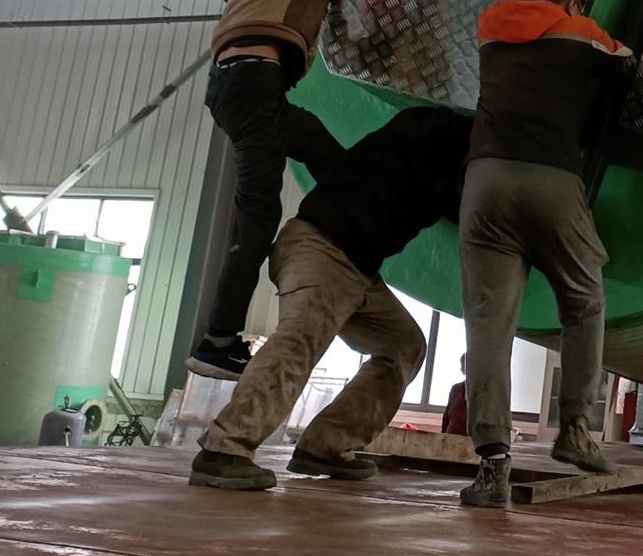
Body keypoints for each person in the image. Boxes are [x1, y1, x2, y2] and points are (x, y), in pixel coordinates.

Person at [188, 0, 420, 381]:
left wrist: (327, 2)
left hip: (232, 88)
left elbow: (287, 6)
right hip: (255, 86)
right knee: (256, 225)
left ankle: (356, 209)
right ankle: (216, 341)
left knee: (318, 145)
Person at [459, 0, 643, 509]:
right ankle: (574, 427)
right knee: (584, 300)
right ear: (574, 3)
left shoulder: (491, 24)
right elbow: (642, 74)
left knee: (487, 322)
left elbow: (539, 30)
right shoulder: (583, 33)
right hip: (551, 179)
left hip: (484, 182)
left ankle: (492, 465)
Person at [189, 104, 471, 490]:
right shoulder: (445, 136)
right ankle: (224, 448)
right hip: (321, 245)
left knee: (404, 345)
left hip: (356, 265)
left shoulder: (439, 146)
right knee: (302, 337)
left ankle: (327, 445)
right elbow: (470, 200)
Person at [443, 355, 469, 438]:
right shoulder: (456, 388)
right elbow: (446, 417)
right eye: (464, 366)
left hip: (473, 443)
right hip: (451, 439)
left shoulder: (485, 391)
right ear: (462, 370)